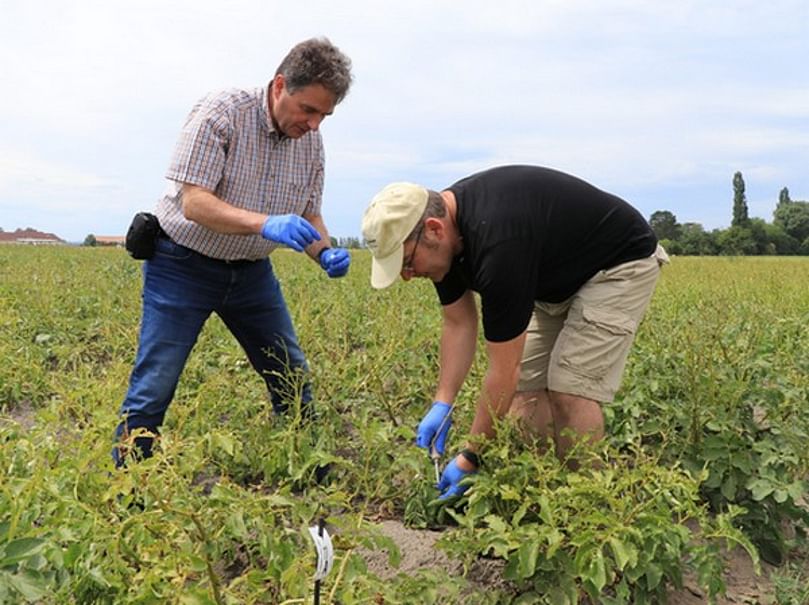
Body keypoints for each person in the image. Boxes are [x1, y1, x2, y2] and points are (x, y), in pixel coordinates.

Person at [113, 38, 353, 471]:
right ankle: (130, 486)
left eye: (324, 115)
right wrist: (263, 223)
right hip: (181, 264)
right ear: (280, 86)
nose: (315, 125)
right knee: (155, 383)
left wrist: (325, 252)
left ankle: (307, 465)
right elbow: (195, 203)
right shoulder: (222, 113)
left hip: (251, 274)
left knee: (289, 371)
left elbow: (310, 213)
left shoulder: (312, 145)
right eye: (308, 110)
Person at [361, 165, 668, 498]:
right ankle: (542, 487)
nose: (407, 275)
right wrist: (443, 402)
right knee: (526, 392)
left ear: (434, 230)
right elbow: (458, 322)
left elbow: (504, 369)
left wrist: (470, 456)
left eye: (407, 262)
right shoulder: (445, 239)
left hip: (618, 266)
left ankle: (588, 503)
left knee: (570, 389)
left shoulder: (498, 244)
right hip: (557, 281)